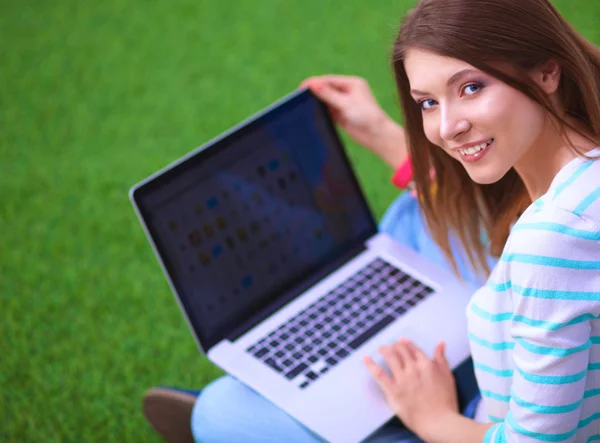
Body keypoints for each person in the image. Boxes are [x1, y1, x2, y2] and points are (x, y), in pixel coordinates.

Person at [142, 0, 600, 441]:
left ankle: (377, 423)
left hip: (488, 420)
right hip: (533, 362)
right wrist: (379, 132)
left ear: (547, 70)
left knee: (220, 412)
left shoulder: (551, 239)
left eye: (470, 87)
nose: (446, 128)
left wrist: (432, 419)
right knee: (411, 221)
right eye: (427, 102)